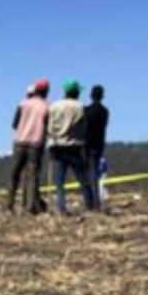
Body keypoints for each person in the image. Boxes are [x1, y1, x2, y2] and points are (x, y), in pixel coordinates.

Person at [47, 79, 95, 215]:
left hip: (57, 146)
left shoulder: (54, 106)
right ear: (76, 92)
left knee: (59, 182)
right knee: (83, 179)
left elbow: (49, 127)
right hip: (74, 146)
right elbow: (85, 127)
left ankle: (61, 208)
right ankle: (90, 206)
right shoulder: (80, 107)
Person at [6, 79, 50, 214]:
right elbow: (48, 127)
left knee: (14, 174)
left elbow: (14, 124)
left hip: (20, 142)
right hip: (36, 145)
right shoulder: (47, 107)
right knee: (33, 176)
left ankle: (10, 204)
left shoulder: (23, 104)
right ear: (46, 92)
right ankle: (30, 208)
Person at [84, 85, 110, 210]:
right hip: (99, 144)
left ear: (91, 95)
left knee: (88, 174)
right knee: (94, 174)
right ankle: (95, 202)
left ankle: (92, 203)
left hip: (87, 145)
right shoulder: (105, 111)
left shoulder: (87, 110)